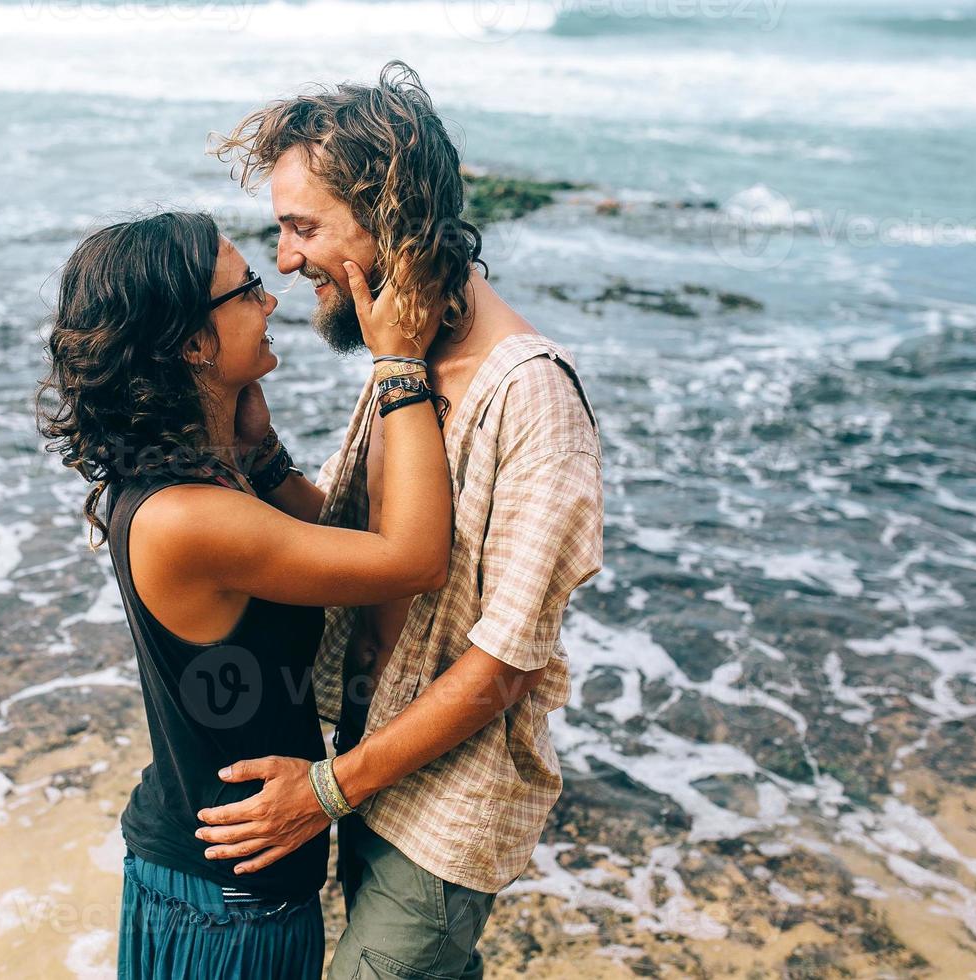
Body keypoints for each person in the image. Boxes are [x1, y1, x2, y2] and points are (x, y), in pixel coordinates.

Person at [197, 62, 606, 978]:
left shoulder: (532, 397)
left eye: (304, 229)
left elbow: (504, 664)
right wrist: (260, 453)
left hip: (440, 810)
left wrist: (321, 793)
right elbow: (361, 549)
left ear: (391, 224)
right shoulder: (402, 352)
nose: (288, 260)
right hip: (366, 764)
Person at [37, 209, 452, 979]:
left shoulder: (203, 479)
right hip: (222, 901)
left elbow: (335, 544)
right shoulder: (191, 517)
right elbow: (414, 560)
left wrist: (258, 449)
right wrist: (399, 364)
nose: (271, 302)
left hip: (224, 876)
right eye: (248, 289)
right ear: (193, 342)